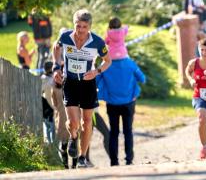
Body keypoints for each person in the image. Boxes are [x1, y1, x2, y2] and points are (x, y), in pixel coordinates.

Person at [52, 9, 112, 168]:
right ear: (74, 25)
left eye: (84, 27)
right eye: (78, 26)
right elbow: (56, 47)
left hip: (88, 84)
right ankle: (73, 137)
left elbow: (108, 61)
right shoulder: (65, 37)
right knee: (73, 122)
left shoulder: (97, 42)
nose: (80, 30)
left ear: (89, 27)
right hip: (70, 83)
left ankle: (82, 157)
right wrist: (56, 66)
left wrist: (96, 71)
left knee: (87, 122)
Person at [96, 56, 146, 166]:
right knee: (128, 131)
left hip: (112, 103)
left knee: (113, 132)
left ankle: (114, 161)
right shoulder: (130, 63)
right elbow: (142, 79)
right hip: (129, 102)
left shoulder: (105, 64)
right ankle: (129, 160)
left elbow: (96, 80)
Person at [41, 61, 55, 143]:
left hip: (47, 102)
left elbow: (41, 91)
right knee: (50, 124)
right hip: (50, 103)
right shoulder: (51, 79)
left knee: (48, 123)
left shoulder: (44, 78)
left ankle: (50, 141)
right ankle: (50, 141)